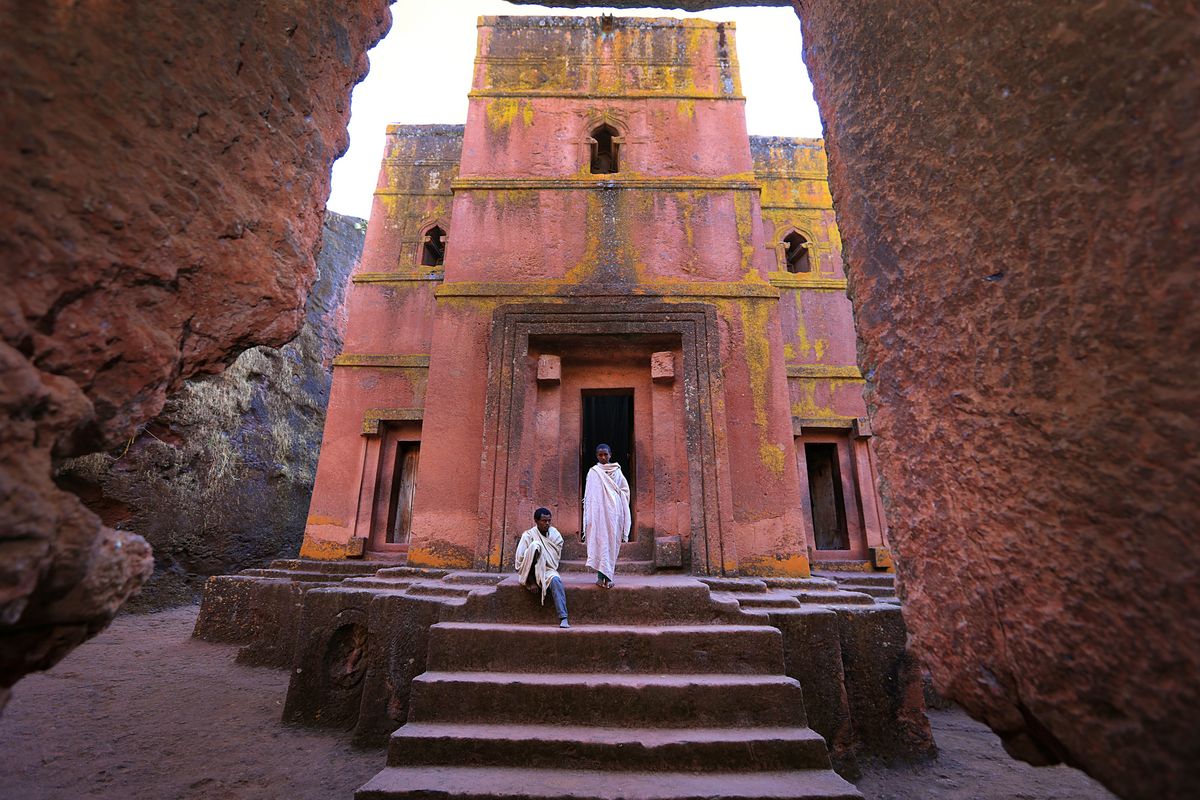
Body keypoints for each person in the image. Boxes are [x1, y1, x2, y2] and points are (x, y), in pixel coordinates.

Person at [582, 443, 631, 588]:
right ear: (596, 456)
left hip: (613, 513)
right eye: (600, 455)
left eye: (605, 454)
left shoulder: (617, 471)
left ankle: (609, 576)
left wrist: (616, 496)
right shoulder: (593, 472)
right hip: (598, 513)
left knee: (610, 543)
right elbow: (589, 494)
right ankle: (599, 576)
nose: (603, 457)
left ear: (610, 455)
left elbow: (625, 490)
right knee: (600, 542)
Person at [514, 507, 570, 628]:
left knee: (556, 580)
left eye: (549, 520)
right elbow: (520, 561)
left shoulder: (555, 535)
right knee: (535, 545)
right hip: (530, 571)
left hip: (547, 570)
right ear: (536, 521)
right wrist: (532, 582)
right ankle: (532, 580)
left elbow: (554, 558)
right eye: (544, 521)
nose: (547, 523)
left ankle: (563, 617)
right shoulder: (528, 535)